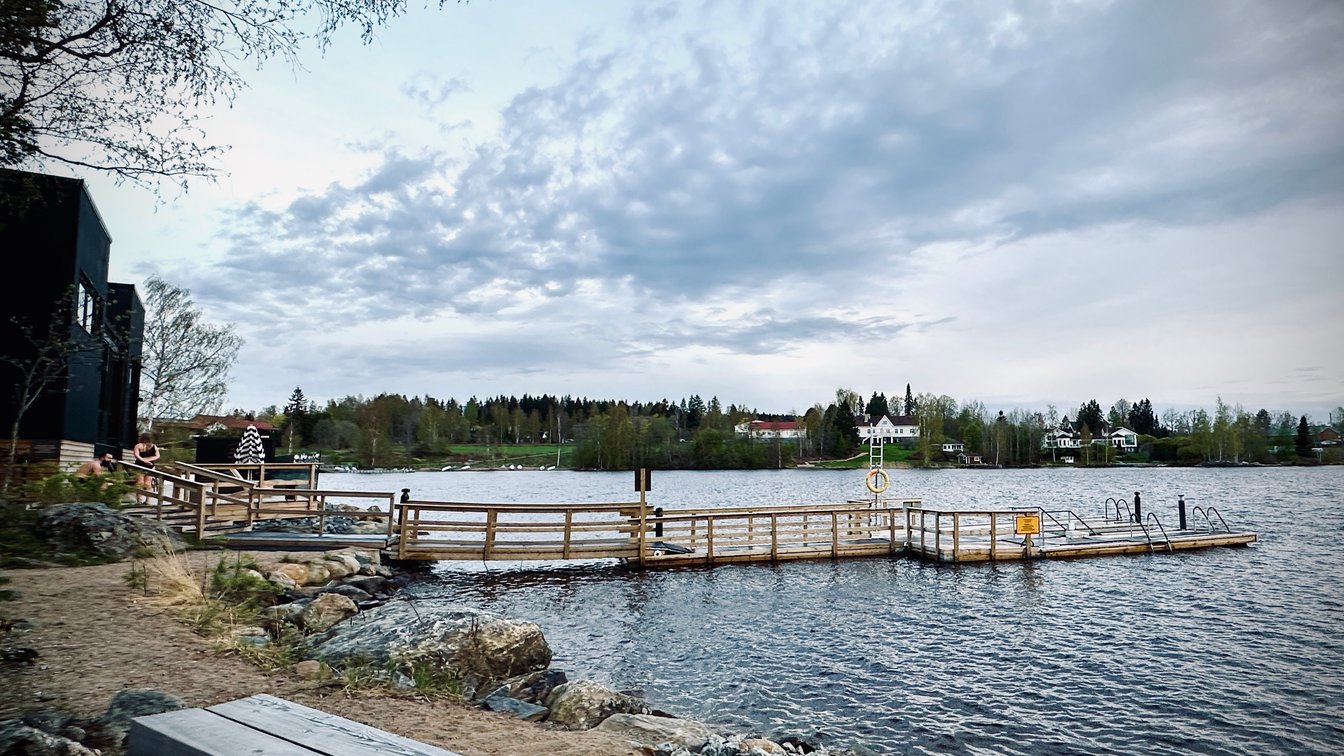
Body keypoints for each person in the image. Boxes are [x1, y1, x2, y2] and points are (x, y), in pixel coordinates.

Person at [132, 433, 160, 504]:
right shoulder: (154, 446)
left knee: (139, 483)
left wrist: (143, 460)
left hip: (140, 465)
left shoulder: (138, 445)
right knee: (148, 484)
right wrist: (149, 459)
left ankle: (139, 501)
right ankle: (147, 501)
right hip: (150, 466)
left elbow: (136, 455)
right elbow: (157, 456)